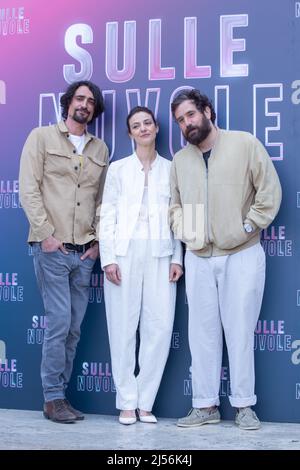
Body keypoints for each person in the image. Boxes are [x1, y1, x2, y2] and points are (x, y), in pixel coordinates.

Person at [170, 89, 282, 430]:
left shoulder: (244, 144)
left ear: (206, 111)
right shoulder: (180, 160)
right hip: (199, 257)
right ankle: (205, 406)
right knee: (200, 334)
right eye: (180, 120)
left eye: (190, 115)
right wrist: (190, 234)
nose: (186, 124)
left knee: (240, 331)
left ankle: (244, 405)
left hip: (242, 253)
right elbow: (174, 206)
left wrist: (247, 225)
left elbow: (269, 191)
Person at [19, 80, 108, 423]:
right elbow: (28, 189)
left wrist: (98, 242)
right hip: (52, 250)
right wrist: (46, 236)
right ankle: (52, 398)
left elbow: (101, 200)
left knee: (73, 329)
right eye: (79, 98)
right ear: (68, 103)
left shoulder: (100, 149)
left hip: (84, 254)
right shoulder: (40, 137)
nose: (84, 104)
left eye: (90, 101)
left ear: (95, 110)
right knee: (58, 323)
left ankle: (62, 396)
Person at [100, 106, 183, 425]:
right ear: (130, 133)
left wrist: (178, 257)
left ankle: (145, 402)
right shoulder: (118, 169)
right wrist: (108, 258)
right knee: (122, 327)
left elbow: (179, 216)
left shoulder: (172, 168)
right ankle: (126, 402)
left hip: (161, 254)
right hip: (123, 253)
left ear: (156, 128)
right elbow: (107, 214)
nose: (143, 128)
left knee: (159, 328)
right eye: (136, 125)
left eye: (147, 123)